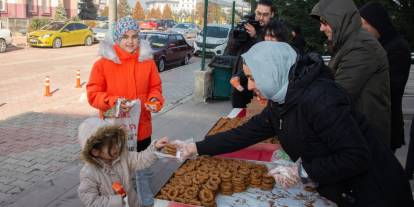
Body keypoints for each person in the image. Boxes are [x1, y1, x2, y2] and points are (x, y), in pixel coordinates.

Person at [178, 41, 414, 207]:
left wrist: (303, 171)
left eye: (252, 78)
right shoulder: (282, 100)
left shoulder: (320, 98)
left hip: (377, 193)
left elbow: (356, 155)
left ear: (272, 72)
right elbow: (246, 133)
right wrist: (197, 147)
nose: (249, 86)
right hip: (347, 191)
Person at [86, 17, 164, 206]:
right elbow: (93, 94)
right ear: (116, 39)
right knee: (118, 171)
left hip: (142, 128)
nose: (130, 41)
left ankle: (145, 201)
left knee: (143, 168)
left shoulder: (147, 63)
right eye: (125, 37)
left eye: (135, 36)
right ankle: (122, 201)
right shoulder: (102, 64)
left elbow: (156, 88)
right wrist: (113, 102)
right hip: (114, 131)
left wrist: (154, 101)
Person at [310, 0, 391, 147]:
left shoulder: (361, 46)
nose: (321, 28)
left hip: (366, 142)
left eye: (324, 22)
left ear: (339, 20)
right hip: (357, 136)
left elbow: (336, 94)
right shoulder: (348, 43)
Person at [77, 118, 169, 207]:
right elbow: (91, 201)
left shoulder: (123, 157)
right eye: (112, 146)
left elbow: (140, 159)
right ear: (95, 151)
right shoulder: (89, 173)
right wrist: (118, 202)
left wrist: (155, 148)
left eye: (117, 142)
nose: (117, 147)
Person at [359, 2, 412, 152]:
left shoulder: (398, 48)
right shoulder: (379, 45)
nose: (361, 29)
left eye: (363, 24)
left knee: (382, 173)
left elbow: (391, 88)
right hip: (376, 124)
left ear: (376, 23)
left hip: (387, 125)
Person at [225, 0, 275, 108]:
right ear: (255, 11)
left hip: (261, 86)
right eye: (259, 13)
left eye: (265, 15)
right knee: (239, 112)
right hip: (240, 81)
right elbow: (230, 50)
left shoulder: (275, 30)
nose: (261, 18)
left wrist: (255, 36)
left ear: (272, 14)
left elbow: (269, 52)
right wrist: (236, 37)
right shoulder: (246, 23)